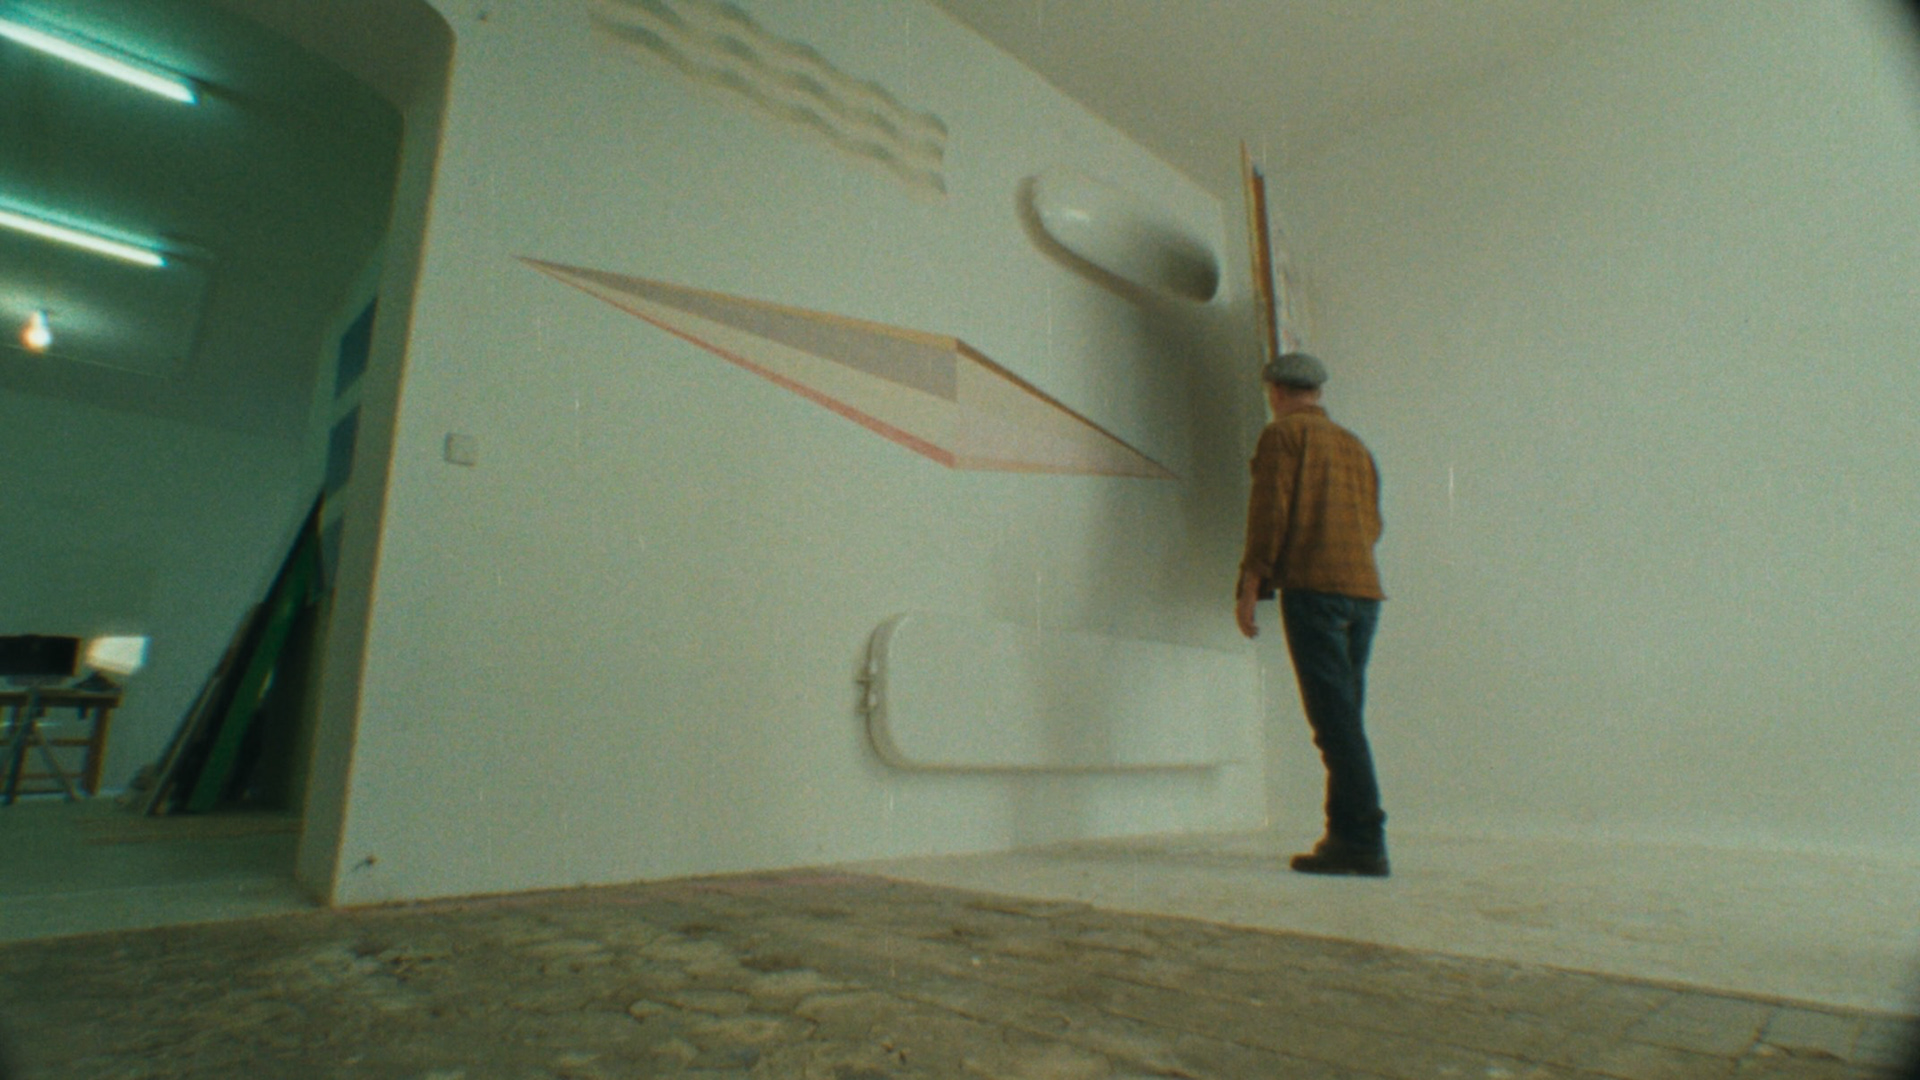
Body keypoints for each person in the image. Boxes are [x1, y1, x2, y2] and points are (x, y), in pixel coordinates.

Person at [1235, 351, 1390, 877]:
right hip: (1363, 592)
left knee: (1334, 724)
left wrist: (1251, 584)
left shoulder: (1282, 436)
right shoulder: (1354, 446)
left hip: (1314, 589)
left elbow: (1269, 514)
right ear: (1317, 392)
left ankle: (1364, 839)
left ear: (1275, 392)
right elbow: (1373, 523)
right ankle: (1345, 836)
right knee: (1345, 720)